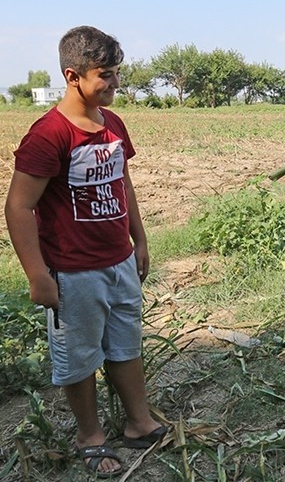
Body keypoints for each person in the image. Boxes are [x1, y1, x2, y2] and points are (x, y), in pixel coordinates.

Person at [4, 26, 166, 478]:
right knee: (79, 355)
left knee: (125, 344)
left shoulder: (111, 124)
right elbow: (18, 206)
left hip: (118, 262)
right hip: (72, 272)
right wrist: (38, 275)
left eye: (117, 74)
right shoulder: (49, 134)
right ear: (72, 76)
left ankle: (138, 422)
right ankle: (91, 436)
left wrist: (141, 238)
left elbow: (123, 184)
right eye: (105, 76)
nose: (114, 85)